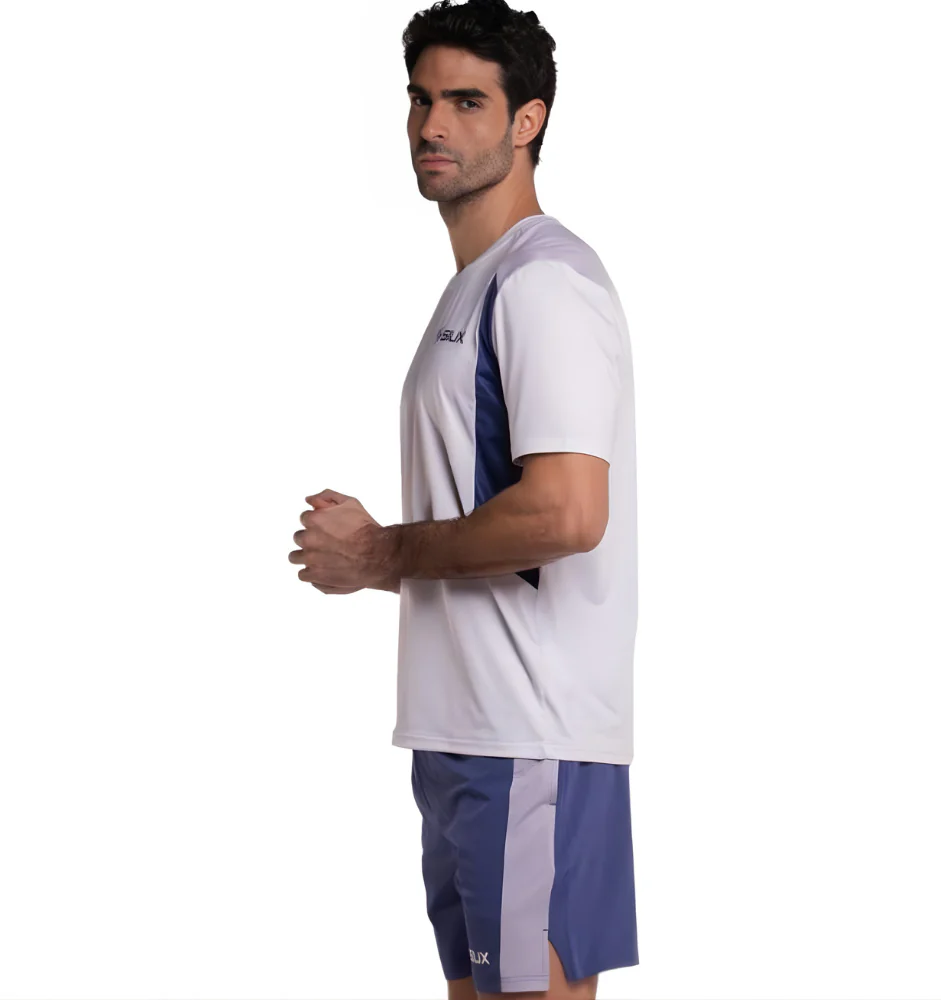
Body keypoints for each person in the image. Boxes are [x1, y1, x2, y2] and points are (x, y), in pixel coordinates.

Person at [289, 2, 639, 996]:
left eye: (466, 102)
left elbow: (567, 514)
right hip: (462, 732)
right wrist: (379, 561)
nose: (431, 124)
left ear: (528, 120)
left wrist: (381, 553)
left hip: (529, 737)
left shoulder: (544, 283)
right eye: (420, 98)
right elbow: (493, 519)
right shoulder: (476, 285)